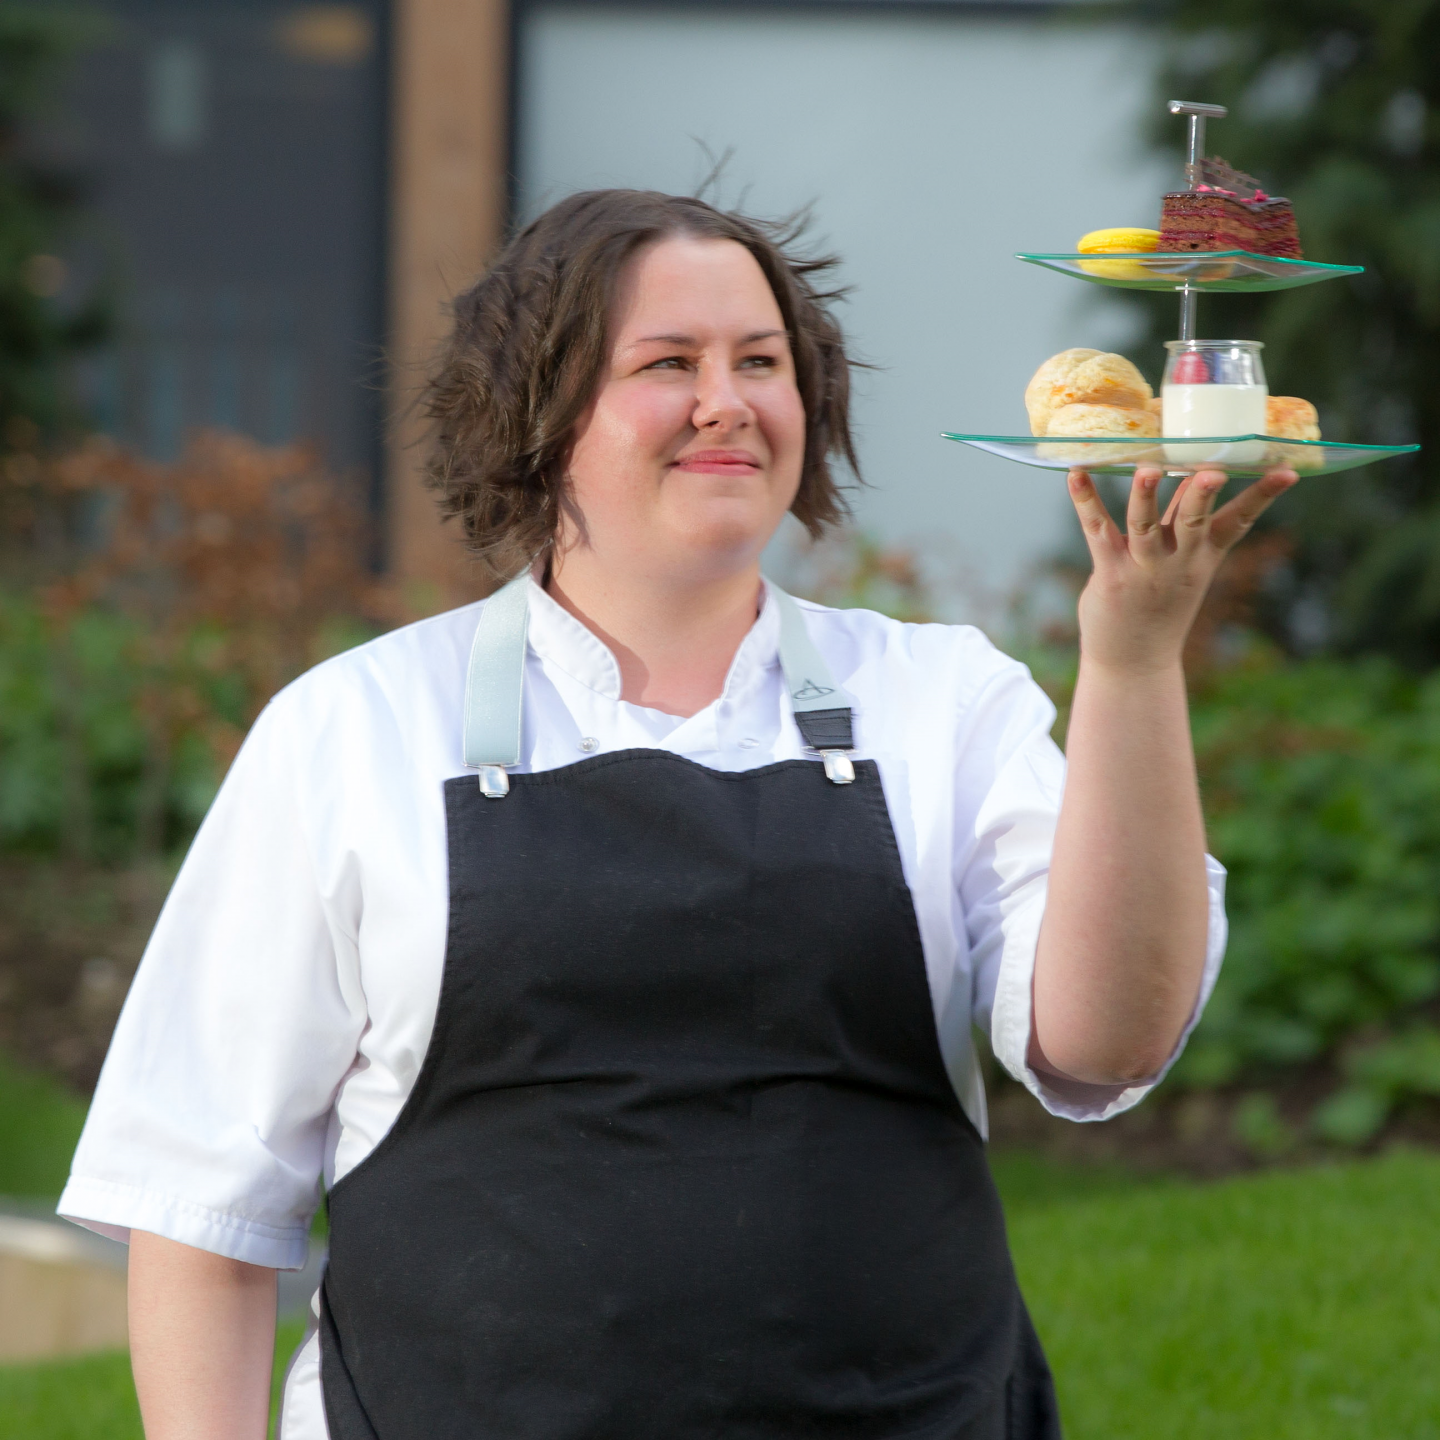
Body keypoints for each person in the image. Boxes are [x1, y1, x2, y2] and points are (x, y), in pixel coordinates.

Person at [61, 189, 1296, 1440]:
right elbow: (202, 1209)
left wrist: (1133, 663)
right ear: (536, 419)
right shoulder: (357, 730)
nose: (730, 399)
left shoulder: (939, 701)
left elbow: (1106, 1042)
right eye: (668, 363)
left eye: (761, 362)